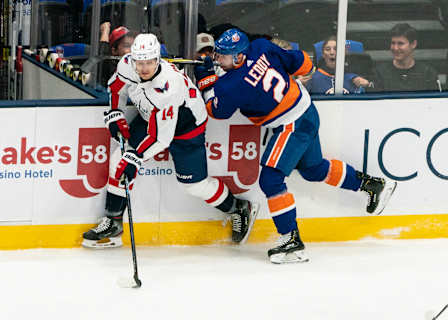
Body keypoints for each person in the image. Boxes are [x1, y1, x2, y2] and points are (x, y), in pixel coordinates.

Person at [194, 28, 397, 264]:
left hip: (292, 123)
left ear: (239, 56)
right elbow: (302, 62)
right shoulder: (261, 46)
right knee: (314, 170)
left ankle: (291, 242)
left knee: (270, 179)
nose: (218, 59)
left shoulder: (232, 84)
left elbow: (216, 110)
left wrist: (206, 78)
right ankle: (373, 185)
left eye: (223, 56)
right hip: (307, 111)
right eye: (217, 55)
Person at [82, 33, 259, 248]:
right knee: (118, 158)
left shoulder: (168, 86)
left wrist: (135, 158)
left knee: (194, 185)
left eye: (149, 62)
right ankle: (113, 221)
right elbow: (117, 87)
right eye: (140, 62)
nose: (144, 68)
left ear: (158, 60)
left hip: (186, 127)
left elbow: (161, 138)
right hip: (152, 117)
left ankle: (237, 207)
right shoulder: (127, 64)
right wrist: (115, 114)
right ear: (133, 59)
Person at [374, 23, 439, 92]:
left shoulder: (428, 73)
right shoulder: (380, 73)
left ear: (413, 44)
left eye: (400, 43)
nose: (395, 48)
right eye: (393, 43)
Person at [305, 36, 371, 94]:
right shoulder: (313, 79)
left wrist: (368, 85)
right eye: (328, 49)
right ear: (323, 54)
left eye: (336, 49)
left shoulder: (357, 77)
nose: (332, 52)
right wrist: (300, 85)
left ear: (344, 53)